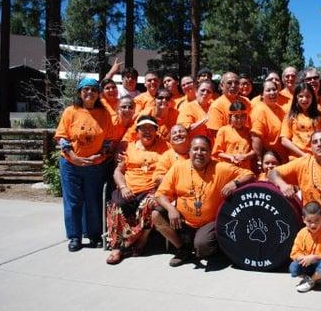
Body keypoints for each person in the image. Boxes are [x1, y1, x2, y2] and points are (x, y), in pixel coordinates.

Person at [153, 136, 255, 266]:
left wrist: (234, 183)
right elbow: (160, 194)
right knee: (156, 215)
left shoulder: (221, 167)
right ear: (189, 152)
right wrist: (171, 208)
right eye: (195, 149)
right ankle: (183, 249)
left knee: (203, 246)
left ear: (210, 152)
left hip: (209, 222)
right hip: (183, 221)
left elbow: (250, 174)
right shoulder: (178, 167)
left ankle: (204, 246)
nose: (199, 153)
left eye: (203, 150)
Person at [55, 77, 113, 252]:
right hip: (71, 165)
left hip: (95, 165)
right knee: (73, 201)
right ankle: (75, 237)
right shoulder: (70, 111)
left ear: (98, 94)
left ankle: (94, 234)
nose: (90, 93)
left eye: (93, 90)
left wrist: (100, 155)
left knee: (93, 200)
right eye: (86, 89)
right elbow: (62, 137)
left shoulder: (104, 114)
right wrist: (73, 157)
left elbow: (108, 140)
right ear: (80, 92)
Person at [105, 116, 169, 264]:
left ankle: (142, 239)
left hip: (151, 189)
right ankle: (117, 247)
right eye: (143, 128)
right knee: (116, 205)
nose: (147, 132)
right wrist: (123, 187)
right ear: (137, 131)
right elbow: (117, 172)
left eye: (151, 128)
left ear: (156, 131)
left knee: (150, 203)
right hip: (129, 188)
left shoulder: (165, 147)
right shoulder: (129, 148)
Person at [289, 201, 321, 293]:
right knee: (293, 267)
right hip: (308, 263)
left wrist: (313, 257)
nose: (313, 224)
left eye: (317, 220)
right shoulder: (302, 233)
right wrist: (302, 257)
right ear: (303, 219)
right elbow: (294, 252)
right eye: (309, 221)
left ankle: (311, 281)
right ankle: (317, 278)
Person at [280, 83, 321, 158]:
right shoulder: (290, 116)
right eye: (301, 96)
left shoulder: (320, 115)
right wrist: (303, 155)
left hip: (318, 158)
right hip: (297, 158)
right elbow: (284, 140)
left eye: (308, 96)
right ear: (296, 98)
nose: (304, 99)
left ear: (312, 98)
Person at [250, 80, 287, 162]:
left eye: (274, 89)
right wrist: (259, 161)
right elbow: (256, 138)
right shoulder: (259, 111)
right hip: (269, 161)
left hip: (283, 159)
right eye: (268, 90)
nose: (272, 92)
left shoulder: (281, 110)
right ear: (262, 95)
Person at [212, 101, 255, 170]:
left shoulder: (249, 131)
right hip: (227, 168)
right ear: (230, 117)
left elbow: (254, 150)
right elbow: (217, 153)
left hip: (244, 170)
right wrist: (231, 157)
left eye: (242, 116)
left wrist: (244, 157)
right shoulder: (223, 131)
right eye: (236, 117)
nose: (239, 120)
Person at [207, 72, 252, 137]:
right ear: (222, 86)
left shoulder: (246, 102)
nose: (233, 86)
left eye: (236, 83)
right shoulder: (216, 106)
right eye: (229, 83)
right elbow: (216, 135)